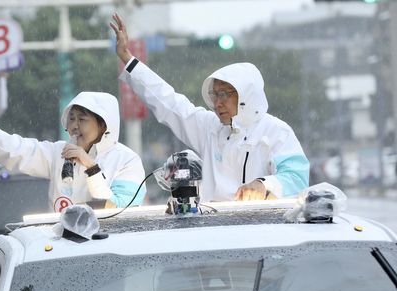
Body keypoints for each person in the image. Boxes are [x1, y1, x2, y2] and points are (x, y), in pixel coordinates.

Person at [110, 13, 310, 202]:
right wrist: (128, 59)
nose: (217, 103)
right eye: (215, 95)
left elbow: (297, 177)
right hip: (213, 230)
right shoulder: (210, 127)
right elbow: (168, 102)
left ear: (246, 95)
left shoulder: (276, 131)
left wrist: (264, 185)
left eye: (224, 94)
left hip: (263, 231)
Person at [0, 86, 146, 212]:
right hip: (62, 250)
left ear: (103, 124)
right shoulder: (58, 153)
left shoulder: (127, 161)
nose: (74, 126)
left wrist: (90, 167)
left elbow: (117, 209)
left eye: (82, 119)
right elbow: (14, 148)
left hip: (108, 255)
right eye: (71, 119)